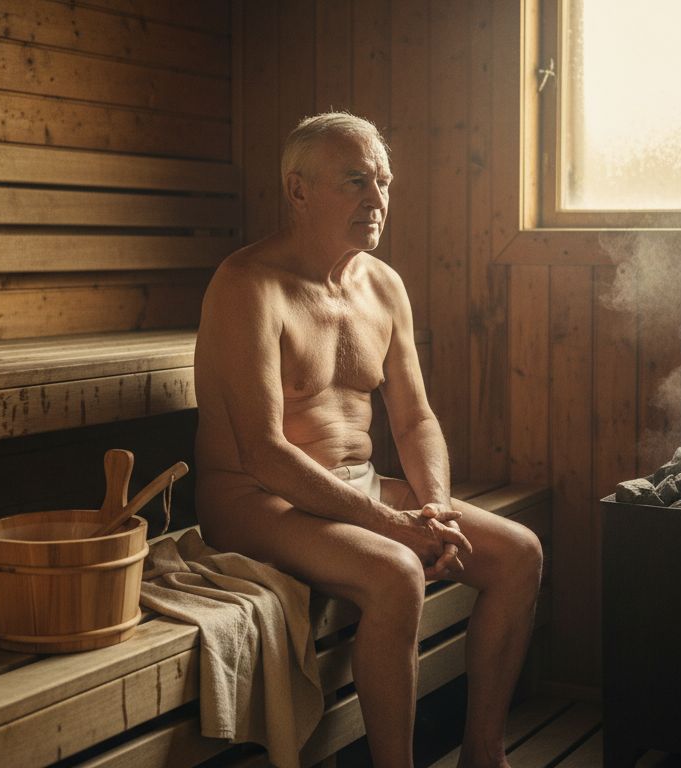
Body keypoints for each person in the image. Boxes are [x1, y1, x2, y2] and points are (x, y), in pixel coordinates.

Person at [192, 112, 543, 768]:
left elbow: (414, 421)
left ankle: (483, 754)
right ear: (298, 191)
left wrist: (433, 507)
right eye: (356, 182)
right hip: (253, 499)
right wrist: (393, 525)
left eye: (383, 182)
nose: (377, 200)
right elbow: (265, 454)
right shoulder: (248, 287)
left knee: (519, 553)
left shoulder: (383, 286)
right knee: (396, 572)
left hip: (351, 488)